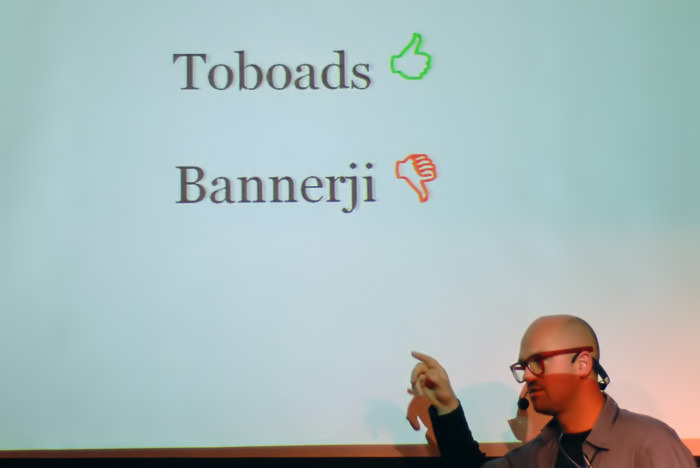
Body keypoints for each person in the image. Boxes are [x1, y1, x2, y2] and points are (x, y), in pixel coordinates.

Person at [410, 315, 696, 467]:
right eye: (523, 366)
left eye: (538, 362)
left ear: (583, 363)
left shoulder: (650, 442)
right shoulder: (540, 452)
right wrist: (446, 408)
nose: (527, 376)